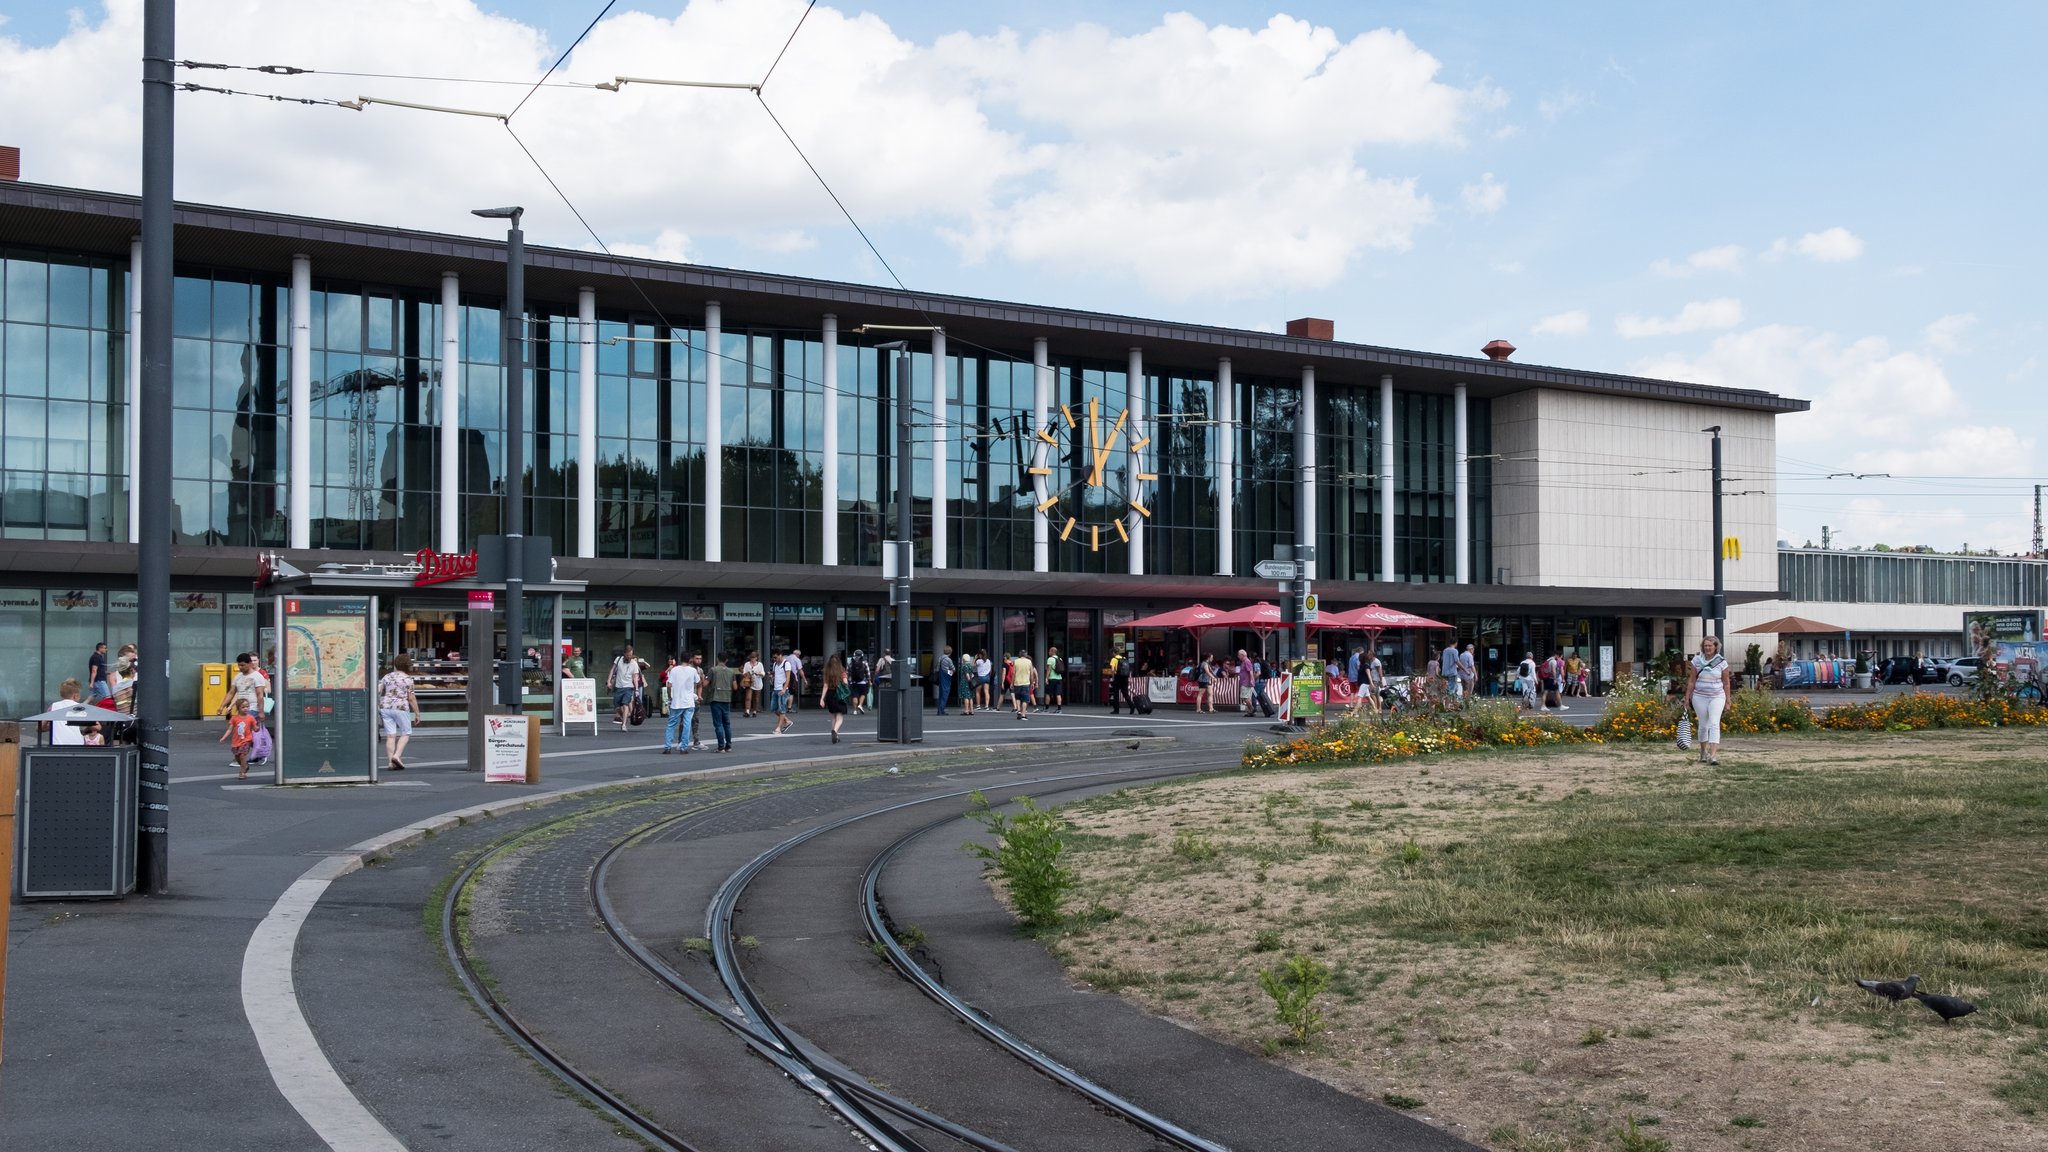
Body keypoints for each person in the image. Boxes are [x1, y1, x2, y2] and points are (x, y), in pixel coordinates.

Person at [1685, 635, 1735, 765]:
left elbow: (1726, 683)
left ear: (1715, 647)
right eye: (1705, 645)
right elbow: (1692, 681)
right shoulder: (1696, 660)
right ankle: (1703, 752)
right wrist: (1686, 698)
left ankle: (1713, 756)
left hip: (1717, 696)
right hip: (1699, 696)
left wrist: (1728, 700)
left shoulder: (1721, 662)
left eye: (1710, 646)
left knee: (1714, 723)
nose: (1707, 648)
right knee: (1703, 725)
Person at [379, 654, 421, 771]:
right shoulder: (408, 679)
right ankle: (397, 756)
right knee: (406, 732)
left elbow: (379, 690)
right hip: (401, 708)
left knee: (390, 735)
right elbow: (411, 698)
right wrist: (417, 713)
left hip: (386, 707)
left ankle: (390, 763)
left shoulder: (387, 676)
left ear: (395, 664)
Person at [663, 652, 702, 754]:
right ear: (690, 660)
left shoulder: (674, 670)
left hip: (676, 701)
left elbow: (669, 685)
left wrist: (670, 697)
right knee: (687, 724)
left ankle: (667, 747)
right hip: (689, 701)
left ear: (680, 659)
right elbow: (698, 682)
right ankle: (683, 747)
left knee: (671, 724)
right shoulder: (693, 670)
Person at [220, 697, 260, 781]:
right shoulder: (234, 718)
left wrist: (257, 728)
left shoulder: (250, 718)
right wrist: (223, 738)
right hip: (236, 741)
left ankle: (242, 772)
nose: (246, 708)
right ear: (238, 708)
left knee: (242, 755)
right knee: (237, 757)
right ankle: (245, 766)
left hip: (246, 740)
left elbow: (255, 728)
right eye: (243, 707)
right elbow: (230, 729)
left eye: (247, 706)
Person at [224, 652, 269, 723]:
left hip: (252, 708)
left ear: (249, 663)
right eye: (239, 665)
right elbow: (233, 693)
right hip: (241, 708)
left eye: (242, 665)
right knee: (241, 730)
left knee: (246, 729)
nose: (240, 667)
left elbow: (260, 695)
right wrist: (225, 706)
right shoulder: (238, 677)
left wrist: (261, 712)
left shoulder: (259, 675)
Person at [706, 651, 737, 752]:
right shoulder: (731, 672)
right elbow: (735, 686)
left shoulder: (713, 670)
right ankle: (729, 746)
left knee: (718, 724)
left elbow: (705, 684)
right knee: (726, 724)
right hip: (727, 698)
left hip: (716, 698)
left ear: (717, 659)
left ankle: (721, 746)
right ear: (726, 660)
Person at [609, 644, 644, 731]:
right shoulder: (618, 659)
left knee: (625, 704)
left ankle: (624, 724)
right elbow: (612, 670)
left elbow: (635, 677)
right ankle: (625, 715)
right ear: (624, 653)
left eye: (631, 655)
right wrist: (609, 681)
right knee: (617, 706)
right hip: (618, 686)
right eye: (628, 655)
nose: (630, 657)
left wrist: (636, 689)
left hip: (628, 687)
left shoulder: (634, 664)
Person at [45, 678, 89, 746]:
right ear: (75, 695)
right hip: (77, 745)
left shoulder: (53, 706)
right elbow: (97, 727)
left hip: (57, 745)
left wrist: (55, 725)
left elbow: (40, 727)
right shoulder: (80, 707)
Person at [820, 651, 850, 743]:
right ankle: (835, 731)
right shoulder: (842, 670)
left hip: (829, 694)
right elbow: (845, 682)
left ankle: (836, 735)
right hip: (839, 695)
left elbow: (825, 685)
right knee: (840, 715)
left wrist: (822, 698)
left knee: (833, 715)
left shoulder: (827, 671)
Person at [1009, 647, 1036, 719]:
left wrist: (1012, 683)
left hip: (1017, 682)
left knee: (1018, 698)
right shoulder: (1029, 662)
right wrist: (1032, 682)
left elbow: (1013, 673)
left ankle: (1018, 710)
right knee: (1025, 699)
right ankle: (1023, 714)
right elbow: (1031, 673)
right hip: (1026, 683)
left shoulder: (1016, 661)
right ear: (1026, 655)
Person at [741, 650, 766, 718]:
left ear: (756, 658)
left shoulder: (760, 664)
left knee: (756, 698)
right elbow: (744, 672)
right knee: (748, 697)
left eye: (753, 658)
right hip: (749, 683)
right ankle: (747, 711)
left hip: (758, 683)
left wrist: (760, 674)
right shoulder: (747, 664)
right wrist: (746, 674)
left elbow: (763, 673)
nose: (752, 659)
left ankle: (754, 711)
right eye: (751, 658)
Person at [847, 649, 870, 716]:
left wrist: (849, 681)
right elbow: (868, 673)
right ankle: (860, 705)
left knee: (855, 695)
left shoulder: (851, 663)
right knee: (863, 694)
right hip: (863, 682)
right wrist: (869, 680)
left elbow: (848, 673)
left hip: (854, 682)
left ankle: (855, 710)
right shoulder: (865, 662)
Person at [935, 645, 957, 716]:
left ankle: (940, 710)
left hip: (941, 677)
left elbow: (937, 668)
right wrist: (951, 672)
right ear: (950, 652)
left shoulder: (940, 658)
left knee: (941, 694)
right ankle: (941, 710)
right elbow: (953, 669)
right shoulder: (948, 659)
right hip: (946, 677)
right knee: (945, 694)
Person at [1108, 647, 1130, 714]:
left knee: (1116, 694)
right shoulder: (1124, 658)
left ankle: (1116, 710)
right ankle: (1132, 706)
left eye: (1112, 653)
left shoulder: (1114, 659)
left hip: (1118, 677)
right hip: (1125, 677)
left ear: (1113, 653)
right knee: (1125, 693)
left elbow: (1113, 670)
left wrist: (1112, 677)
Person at [1043, 646, 1064, 713]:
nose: (1048, 652)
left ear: (1052, 652)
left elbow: (1048, 669)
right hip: (1059, 678)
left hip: (1052, 678)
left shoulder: (1050, 659)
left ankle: (1046, 708)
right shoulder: (1060, 659)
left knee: (1048, 693)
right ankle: (1059, 709)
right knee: (1058, 694)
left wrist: (1046, 678)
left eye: (1049, 651)